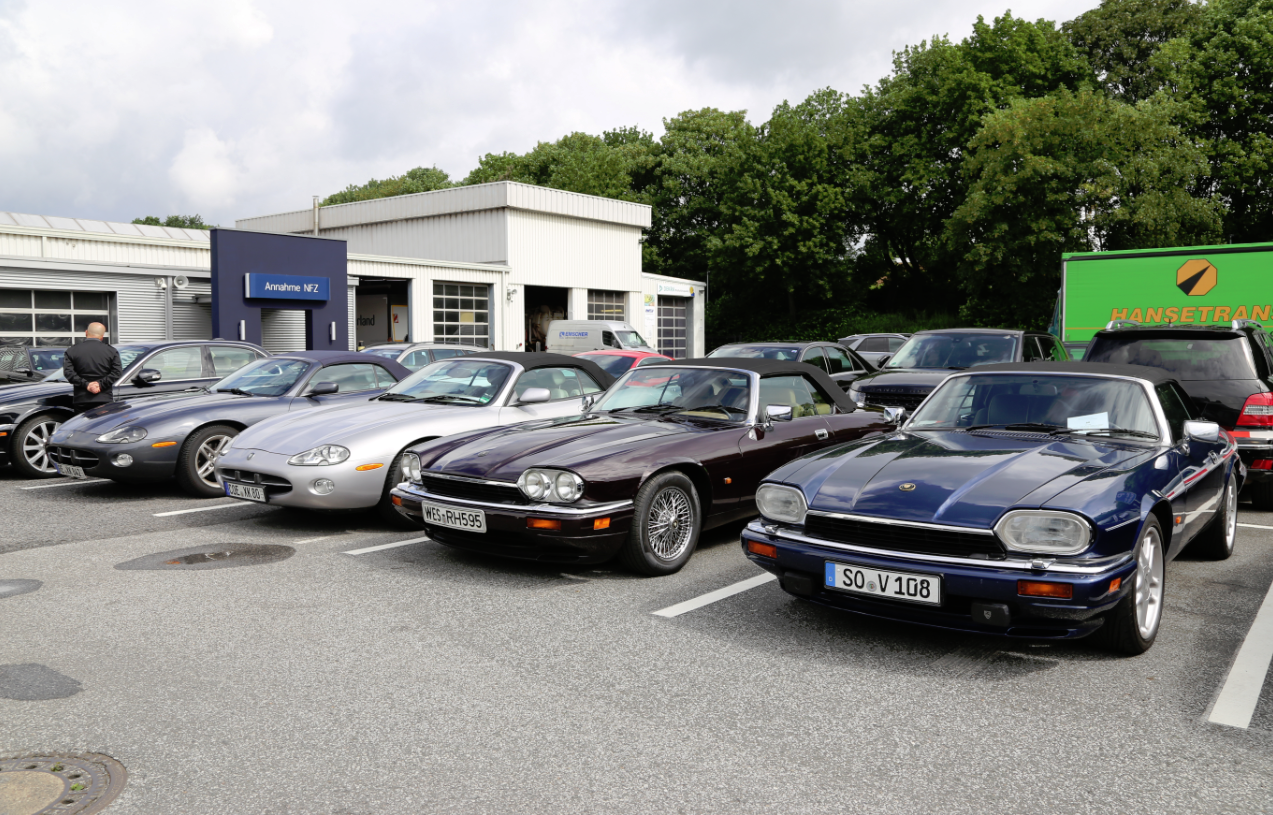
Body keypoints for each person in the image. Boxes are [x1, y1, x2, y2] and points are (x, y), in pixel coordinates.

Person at [62, 322, 122, 415]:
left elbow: (68, 373)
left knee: (82, 424)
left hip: (82, 400)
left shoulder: (72, 351)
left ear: (86, 332)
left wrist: (87, 385)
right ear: (102, 336)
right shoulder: (111, 351)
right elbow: (117, 372)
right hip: (104, 399)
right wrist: (100, 385)